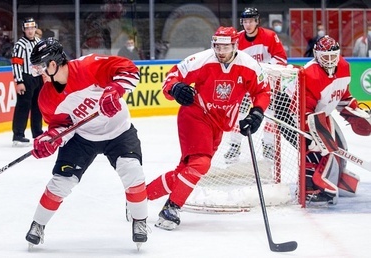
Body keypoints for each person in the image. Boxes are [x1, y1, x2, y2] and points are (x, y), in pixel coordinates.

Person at [24, 38, 149, 249]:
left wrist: (114, 91)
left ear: (53, 63)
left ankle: (140, 221)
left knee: (133, 172)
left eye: (41, 68)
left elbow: (130, 70)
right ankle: (38, 225)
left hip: (118, 131)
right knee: (61, 182)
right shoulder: (46, 97)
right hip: (83, 138)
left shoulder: (88, 66)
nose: (39, 74)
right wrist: (50, 139)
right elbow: (61, 126)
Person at [145, 26, 270, 230]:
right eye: (217, 46)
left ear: (235, 46)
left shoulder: (249, 65)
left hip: (218, 124)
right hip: (195, 115)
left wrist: (257, 112)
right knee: (201, 164)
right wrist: (176, 88)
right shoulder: (201, 60)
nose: (221, 51)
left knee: (186, 170)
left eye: (225, 47)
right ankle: (171, 208)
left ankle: (140, 197)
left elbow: (263, 90)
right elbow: (170, 78)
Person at [300, 35, 370, 204]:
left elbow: (343, 96)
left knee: (340, 147)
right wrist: (314, 132)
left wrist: (354, 110)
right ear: (317, 56)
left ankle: (335, 178)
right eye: (326, 57)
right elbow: (303, 110)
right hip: (298, 117)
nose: (330, 61)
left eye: (333, 56)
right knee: (319, 150)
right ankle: (312, 187)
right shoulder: (309, 74)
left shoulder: (344, 66)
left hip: (321, 115)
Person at [223, 7, 288, 163]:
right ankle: (234, 146)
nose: (248, 24)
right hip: (244, 86)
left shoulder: (270, 36)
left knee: (271, 116)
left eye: (251, 21)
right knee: (238, 114)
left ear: (257, 21)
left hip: (266, 85)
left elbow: (281, 59)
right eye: (245, 21)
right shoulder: (237, 39)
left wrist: (260, 69)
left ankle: (268, 146)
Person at [10, 17, 44, 146]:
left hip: (37, 77)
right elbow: (16, 64)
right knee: (23, 106)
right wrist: (19, 81)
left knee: (37, 106)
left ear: (36, 28)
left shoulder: (38, 41)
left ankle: (37, 132)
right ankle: (18, 135)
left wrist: (43, 74)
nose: (30, 31)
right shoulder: (20, 45)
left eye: (32, 27)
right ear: (23, 30)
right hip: (26, 77)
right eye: (27, 28)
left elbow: (41, 59)